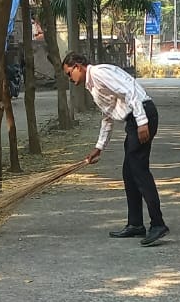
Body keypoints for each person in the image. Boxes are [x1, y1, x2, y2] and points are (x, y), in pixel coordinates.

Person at [63, 51, 169, 247]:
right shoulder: (92, 85)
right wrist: (99, 147)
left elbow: (130, 91)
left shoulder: (100, 73)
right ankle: (136, 223)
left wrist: (142, 121)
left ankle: (158, 223)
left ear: (78, 66)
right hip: (134, 119)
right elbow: (108, 116)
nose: (70, 79)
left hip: (142, 114)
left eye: (69, 73)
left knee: (139, 171)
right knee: (129, 172)